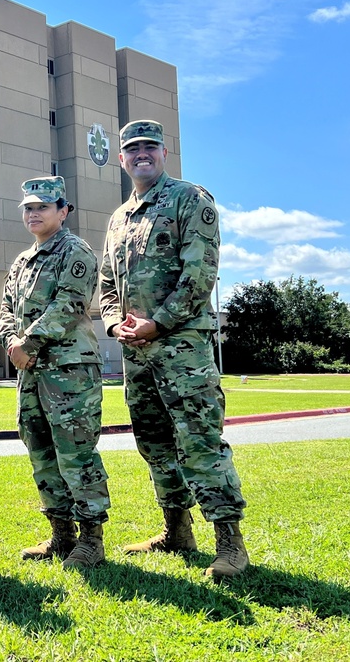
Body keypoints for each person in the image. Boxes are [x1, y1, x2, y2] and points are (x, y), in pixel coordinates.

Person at [100, 119, 249, 579]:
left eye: (150, 147)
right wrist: (113, 323)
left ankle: (230, 544)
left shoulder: (189, 199)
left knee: (199, 442)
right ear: (122, 159)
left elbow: (200, 273)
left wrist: (157, 323)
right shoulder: (118, 218)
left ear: (164, 153)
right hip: (137, 355)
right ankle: (177, 530)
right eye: (132, 149)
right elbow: (107, 283)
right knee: (154, 444)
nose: (141, 154)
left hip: (181, 349)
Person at [0, 176, 111, 568]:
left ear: (63, 212)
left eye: (43, 207)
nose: (33, 213)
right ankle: (61, 534)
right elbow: (6, 309)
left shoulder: (74, 251)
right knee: (41, 450)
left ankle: (91, 538)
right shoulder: (22, 261)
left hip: (69, 369)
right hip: (30, 371)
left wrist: (26, 344)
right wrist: (11, 340)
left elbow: (69, 305)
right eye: (28, 207)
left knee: (75, 452)